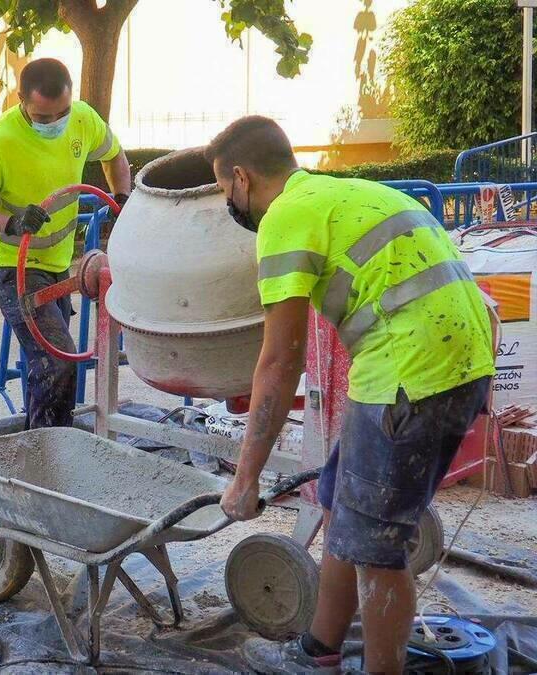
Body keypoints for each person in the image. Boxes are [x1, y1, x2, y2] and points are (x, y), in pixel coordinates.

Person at [207, 116, 494, 674]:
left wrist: (246, 480)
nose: (229, 202)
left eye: (224, 190)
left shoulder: (285, 218)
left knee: (377, 551)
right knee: (343, 502)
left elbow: (280, 359)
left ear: (240, 178)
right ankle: (319, 650)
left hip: (408, 375)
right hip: (460, 361)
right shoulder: (349, 190)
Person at [0, 58, 131, 429]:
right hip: (9, 263)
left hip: (55, 263)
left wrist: (122, 198)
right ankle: (47, 453)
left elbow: (114, 155)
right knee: (57, 361)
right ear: (21, 100)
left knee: (51, 363)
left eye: (60, 114)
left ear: (71, 100)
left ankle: (45, 444)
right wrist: (11, 222)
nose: (54, 124)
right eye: (42, 118)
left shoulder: (82, 118)